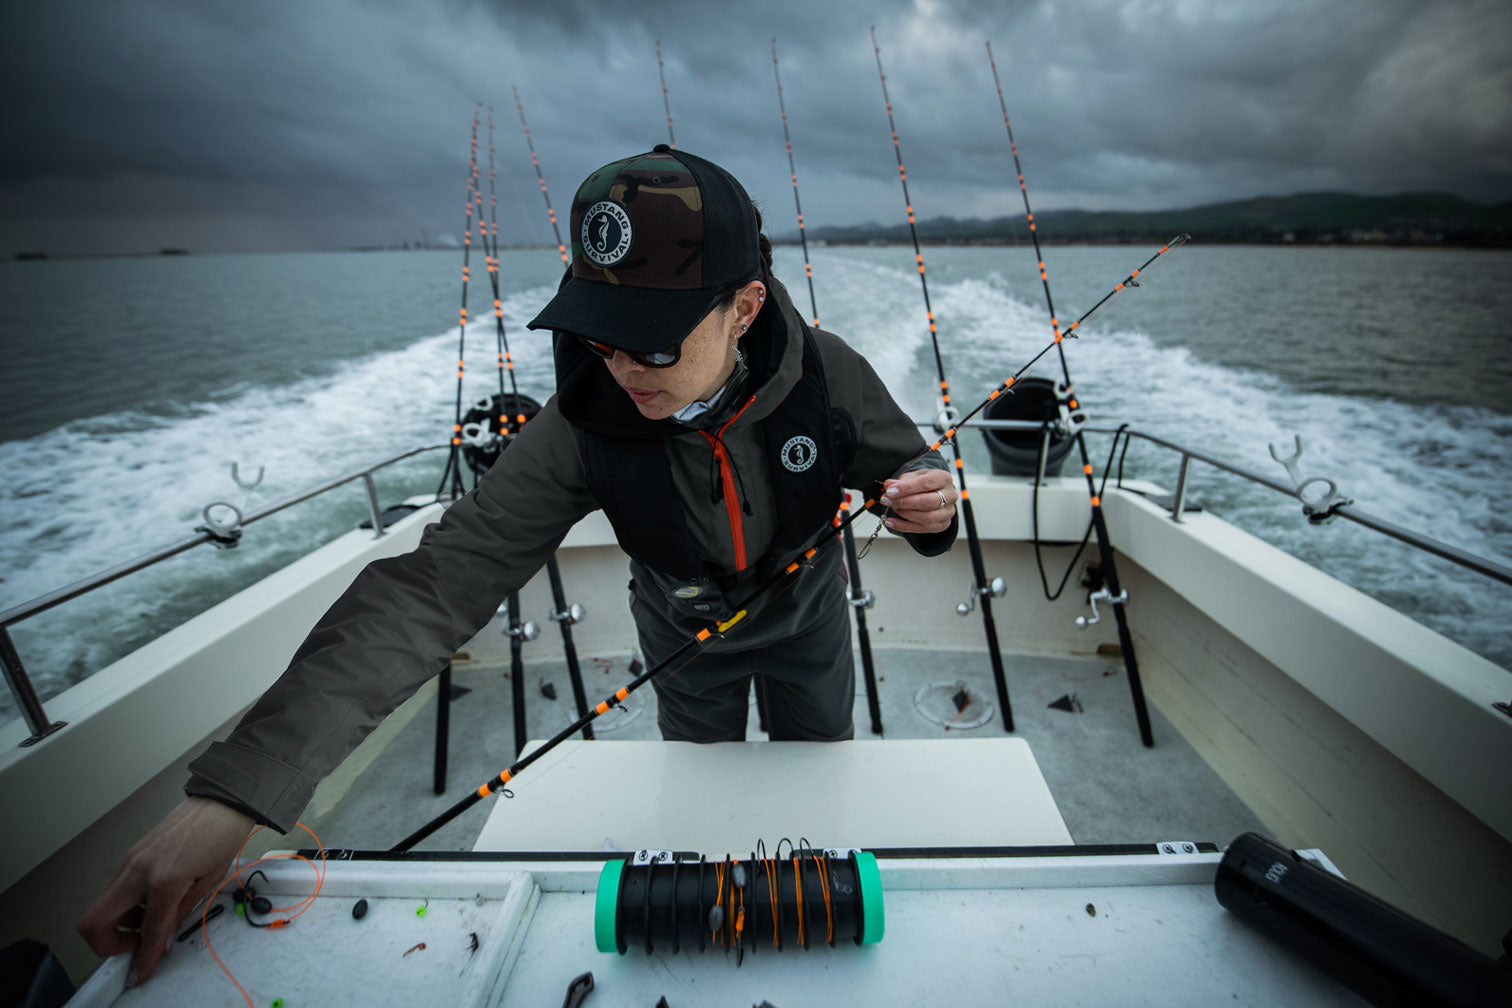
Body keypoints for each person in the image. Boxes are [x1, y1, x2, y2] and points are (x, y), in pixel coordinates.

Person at [77, 145, 958, 987]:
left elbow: (909, 467)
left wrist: (931, 503)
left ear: (746, 307)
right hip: (682, 638)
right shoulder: (583, 422)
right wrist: (234, 796)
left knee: (821, 784)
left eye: (654, 344)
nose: (623, 370)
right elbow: (437, 583)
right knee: (700, 800)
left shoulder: (829, 371)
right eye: (603, 336)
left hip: (809, 625)